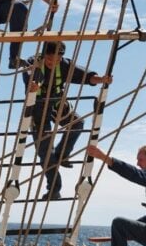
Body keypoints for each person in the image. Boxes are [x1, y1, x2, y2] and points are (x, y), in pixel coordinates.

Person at [21, 41, 111, 200]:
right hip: (37, 107)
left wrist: (102, 79)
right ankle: (54, 189)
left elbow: (86, 76)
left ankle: (63, 154)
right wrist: (32, 86)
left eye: (56, 59)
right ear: (44, 55)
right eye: (49, 59)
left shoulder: (64, 65)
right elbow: (28, 79)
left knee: (77, 124)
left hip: (57, 102)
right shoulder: (32, 63)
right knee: (45, 151)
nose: (52, 62)